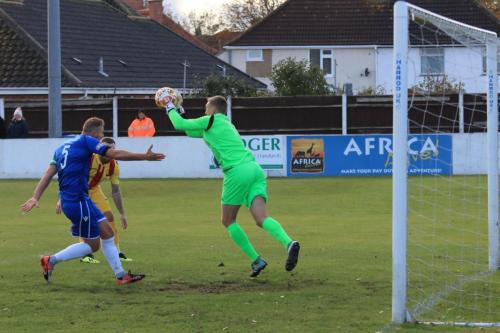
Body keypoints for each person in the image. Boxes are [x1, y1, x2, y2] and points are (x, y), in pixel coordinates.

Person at [163, 95, 300, 277]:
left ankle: (256, 260)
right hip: (255, 170)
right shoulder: (226, 123)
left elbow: (179, 125)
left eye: (206, 105)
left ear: (213, 108)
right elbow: (189, 130)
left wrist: (168, 105)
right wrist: (180, 111)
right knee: (261, 218)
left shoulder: (210, 120)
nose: (204, 109)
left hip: (237, 172)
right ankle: (289, 242)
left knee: (228, 220)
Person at [21, 117, 165, 285]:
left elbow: (47, 174)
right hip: (77, 202)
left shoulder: (61, 148)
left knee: (108, 234)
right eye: (102, 132)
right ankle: (50, 261)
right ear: (96, 132)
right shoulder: (86, 141)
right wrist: (144, 157)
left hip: (79, 200)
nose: (102, 136)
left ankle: (121, 276)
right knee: (93, 246)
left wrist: (35, 196)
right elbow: (114, 153)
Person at [56, 137, 133, 264]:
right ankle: (87, 255)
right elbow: (70, 176)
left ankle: (117, 252)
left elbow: (116, 191)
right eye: (108, 149)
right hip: (78, 190)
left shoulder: (114, 165)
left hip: (94, 189)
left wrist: (123, 214)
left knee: (109, 216)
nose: (110, 152)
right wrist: (62, 198)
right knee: (84, 218)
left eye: (113, 149)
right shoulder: (89, 158)